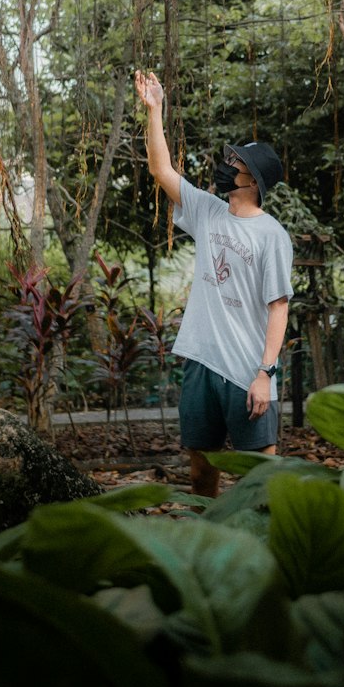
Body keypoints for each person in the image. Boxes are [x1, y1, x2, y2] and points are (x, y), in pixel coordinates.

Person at [134, 69, 293, 497]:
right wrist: (155, 110)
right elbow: (161, 169)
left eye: (235, 164)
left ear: (253, 181)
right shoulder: (208, 211)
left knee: (261, 477)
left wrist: (265, 374)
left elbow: (279, 307)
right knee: (201, 472)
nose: (227, 168)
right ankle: (206, 542)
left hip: (247, 372)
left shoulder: (272, 236)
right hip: (201, 364)